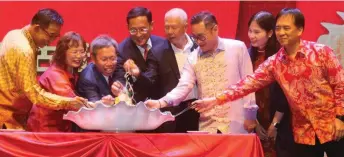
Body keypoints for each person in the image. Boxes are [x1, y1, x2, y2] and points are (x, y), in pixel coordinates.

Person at [194, 8, 344, 157]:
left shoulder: (321, 52)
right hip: (304, 131)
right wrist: (216, 100)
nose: (281, 32)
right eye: (278, 28)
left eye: (286, 28)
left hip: (333, 124)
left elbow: (340, 84)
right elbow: (247, 84)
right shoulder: (274, 63)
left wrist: (340, 118)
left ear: (299, 30)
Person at [145, 11, 258, 134]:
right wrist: (160, 102)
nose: (198, 42)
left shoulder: (237, 48)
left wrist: (250, 115)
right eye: (195, 37)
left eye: (201, 37)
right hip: (208, 124)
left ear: (215, 29)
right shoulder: (193, 57)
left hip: (237, 122)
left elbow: (249, 84)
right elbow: (183, 86)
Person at [0, 8, 88, 130]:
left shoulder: (15, 34)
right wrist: (69, 102)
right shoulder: (24, 50)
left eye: (55, 37)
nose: (51, 42)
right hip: (7, 119)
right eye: (50, 35)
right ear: (36, 28)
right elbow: (35, 94)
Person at [248, 11, 295, 157]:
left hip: (279, 117)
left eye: (257, 32)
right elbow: (244, 89)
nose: (251, 35)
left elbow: (285, 93)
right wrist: (254, 121)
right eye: (250, 31)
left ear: (269, 33)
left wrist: (275, 124)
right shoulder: (247, 55)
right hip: (255, 118)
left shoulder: (280, 57)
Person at [27, 31, 87, 132]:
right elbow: (74, 104)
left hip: (59, 128)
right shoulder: (56, 75)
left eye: (82, 52)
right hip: (45, 130)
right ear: (63, 52)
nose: (79, 56)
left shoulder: (70, 71)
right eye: (74, 52)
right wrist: (101, 107)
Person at [153, 8, 199, 132]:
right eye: (166, 27)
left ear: (185, 27)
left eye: (174, 27)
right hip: (173, 112)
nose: (169, 32)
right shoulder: (158, 52)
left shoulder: (199, 46)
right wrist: (137, 75)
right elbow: (151, 82)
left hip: (199, 109)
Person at [112, 7, 164, 103]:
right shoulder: (122, 50)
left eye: (143, 29)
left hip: (163, 104)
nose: (138, 35)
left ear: (151, 25)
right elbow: (120, 78)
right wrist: (119, 87)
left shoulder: (163, 45)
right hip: (137, 106)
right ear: (127, 27)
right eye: (133, 30)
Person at [77, 35, 119, 105]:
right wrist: (105, 102)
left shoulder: (120, 67)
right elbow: (95, 107)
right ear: (93, 59)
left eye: (112, 58)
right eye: (104, 59)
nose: (109, 63)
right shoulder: (87, 78)